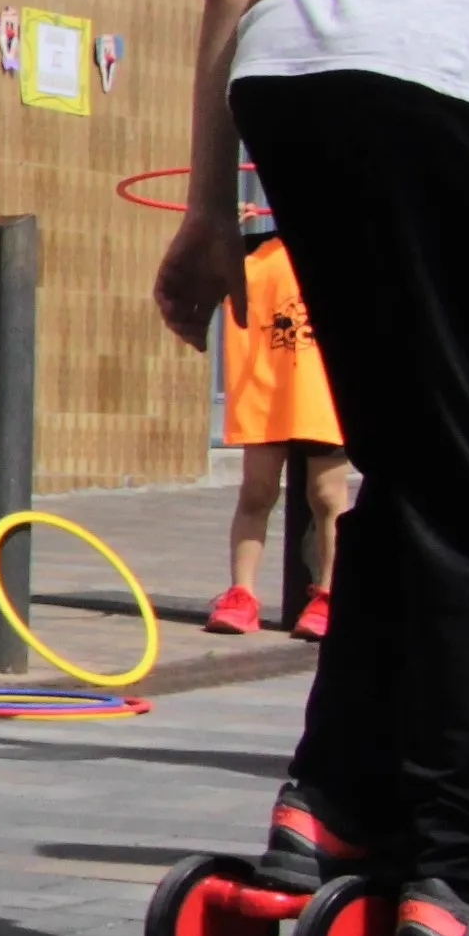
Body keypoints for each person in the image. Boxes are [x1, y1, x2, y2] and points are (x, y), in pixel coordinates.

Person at [157, 0, 469, 936]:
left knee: (417, 479)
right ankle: (463, 866)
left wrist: (206, 217)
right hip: (463, 83)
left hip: (301, 83)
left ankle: (328, 807)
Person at [208, 216, 352, 641]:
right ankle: (241, 594)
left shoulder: (352, 247)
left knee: (327, 496)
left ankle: (327, 593)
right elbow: (206, 276)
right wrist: (227, 225)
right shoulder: (253, 252)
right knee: (256, 491)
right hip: (266, 389)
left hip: (322, 392)